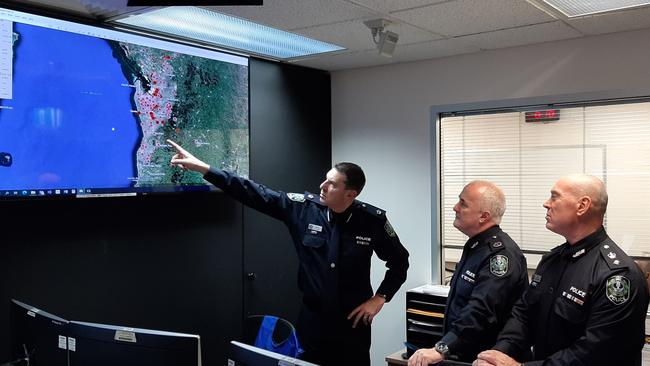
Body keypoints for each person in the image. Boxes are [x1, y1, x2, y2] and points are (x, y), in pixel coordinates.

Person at [166, 139, 409, 366]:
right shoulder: (303, 209)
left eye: (332, 184)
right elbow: (253, 192)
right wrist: (205, 169)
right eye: (325, 179)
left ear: (351, 194)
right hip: (312, 320)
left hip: (352, 324)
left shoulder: (372, 221)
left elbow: (399, 262)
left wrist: (379, 299)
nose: (322, 186)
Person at [474, 174, 650, 366]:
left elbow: (596, 352)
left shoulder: (617, 276)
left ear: (582, 206)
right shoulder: (552, 261)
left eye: (554, 196)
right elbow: (524, 315)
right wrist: (497, 354)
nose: (546, 203)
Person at [408, 181, 528, 365]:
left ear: (484, 216)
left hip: (485, 359)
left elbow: (480, 311)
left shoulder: (500, 255)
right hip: (463, 354)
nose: (455, 207)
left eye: (463, 204)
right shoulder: (475, 246)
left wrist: (442, 348)